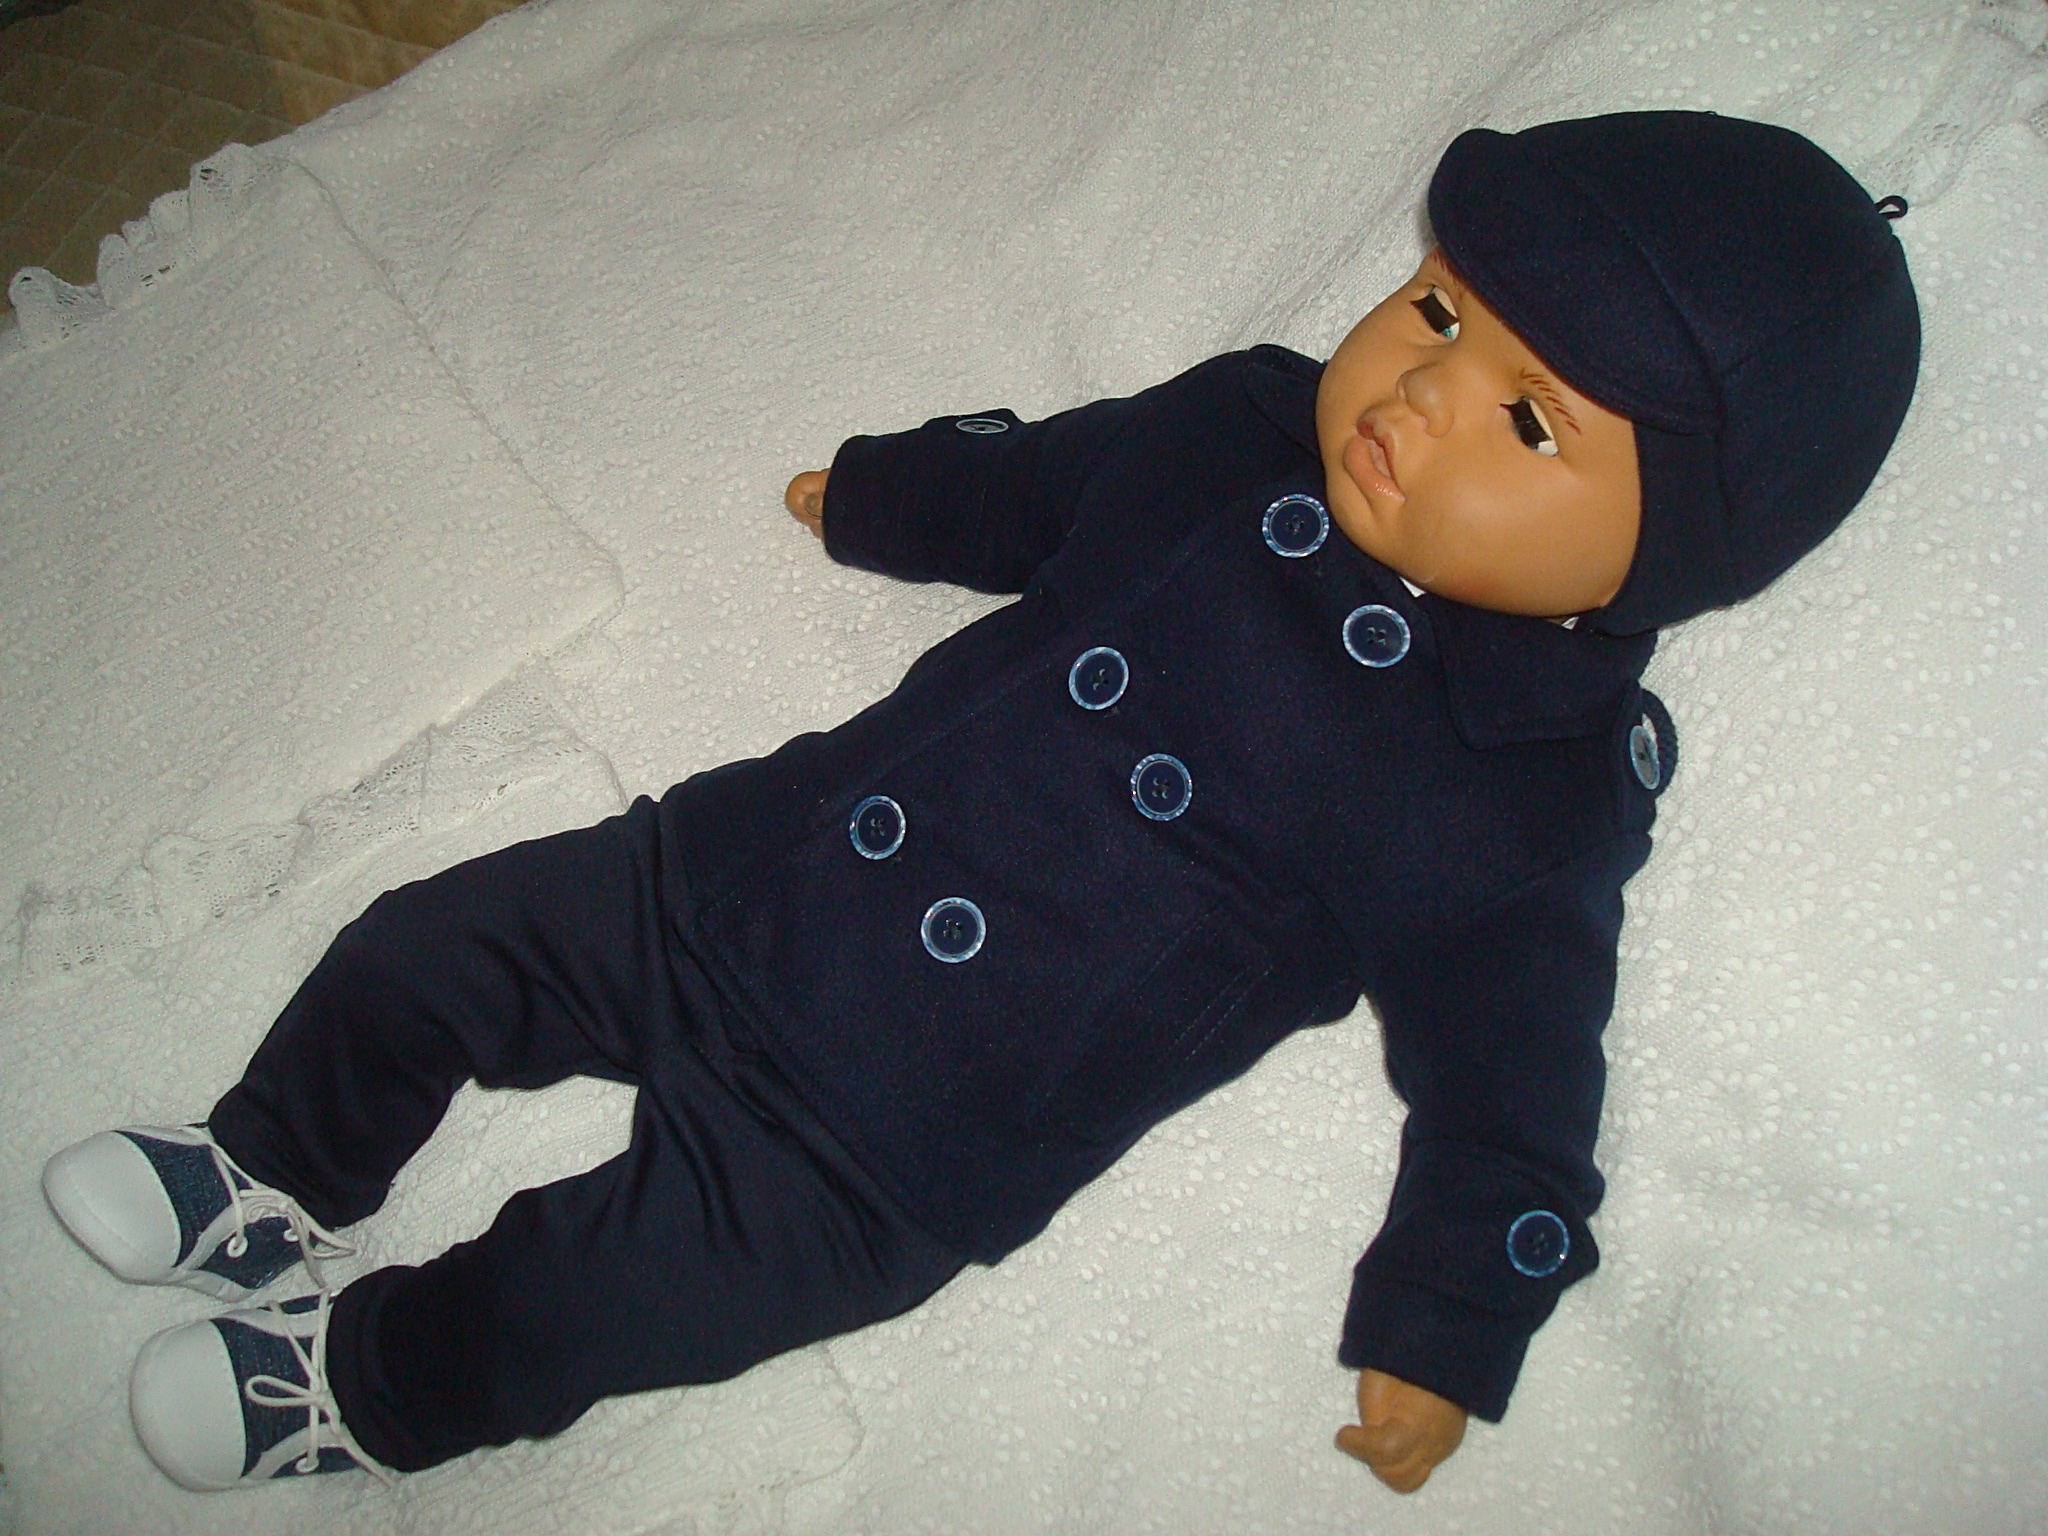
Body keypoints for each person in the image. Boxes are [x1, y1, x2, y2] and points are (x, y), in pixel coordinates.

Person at [41, 111, 1919, 1496]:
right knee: (426, 948)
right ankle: (273, 1161)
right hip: (739, 873)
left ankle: (364, 1382)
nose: (1420, 392)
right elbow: (1046, 486)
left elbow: (1518, 1089)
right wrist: (885, 494)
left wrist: (1452, 1316)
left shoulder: (1521, 791)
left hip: (894, 1144)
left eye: (1529, 420)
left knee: (588, 1302)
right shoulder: (1240, 429)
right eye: (1436, 309)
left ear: (1671, 561)